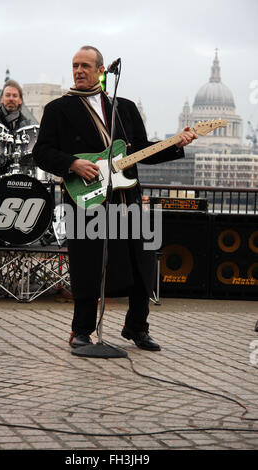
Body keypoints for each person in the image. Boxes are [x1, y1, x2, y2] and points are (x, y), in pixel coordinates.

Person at [33, 45, 197, 351]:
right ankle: (81, 330)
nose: (78, 71)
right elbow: (40, 152)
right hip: (86, 199)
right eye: (74, 66)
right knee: (87, 265)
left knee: (142, 263)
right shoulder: (58, 109)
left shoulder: (125, 107)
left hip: (128, 198)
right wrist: (72, 163)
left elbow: (142, 150)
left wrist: (177, 143)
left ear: (100, 71)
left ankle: (137, 327)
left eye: (85, 66)